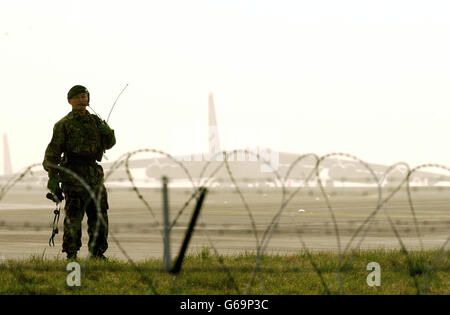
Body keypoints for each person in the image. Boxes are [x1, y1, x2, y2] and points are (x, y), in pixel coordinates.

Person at [43, 85, 116, 260]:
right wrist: (53, 179)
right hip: (73, 176)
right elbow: (52, 154)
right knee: (74, 218)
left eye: (84, 97)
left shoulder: (96, 122)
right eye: (77, 97)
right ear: (70, 101)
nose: (81, 100)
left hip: (94, 176)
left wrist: (109, 133)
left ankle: (98, 254)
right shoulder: (63, 125)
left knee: (99, 217)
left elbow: (109, 144)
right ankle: (71, 253)